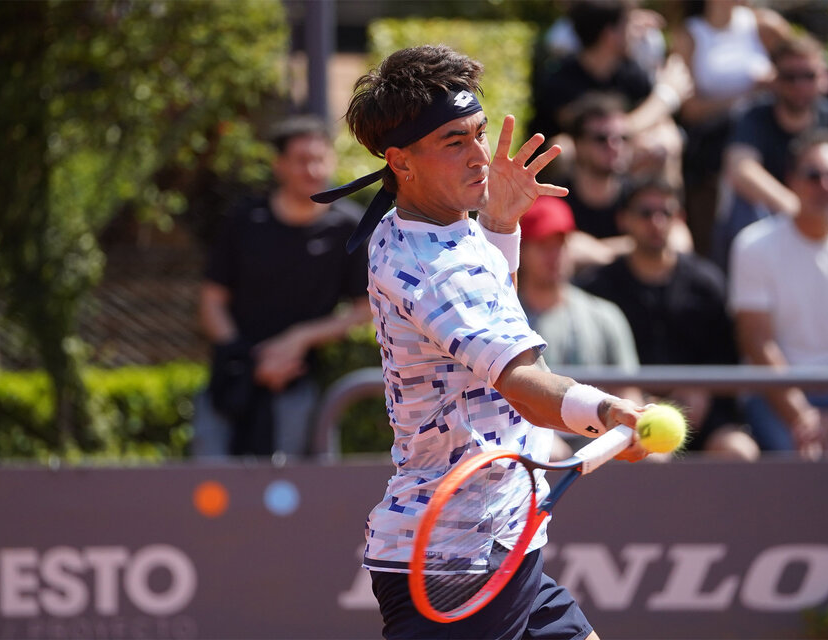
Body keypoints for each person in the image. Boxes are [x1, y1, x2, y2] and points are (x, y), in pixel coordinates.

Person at [314, 44, 650, 640]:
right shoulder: (436, 266)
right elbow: (521, 383)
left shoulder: (413, 225)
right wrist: (605, 411)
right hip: (456, 563)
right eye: (454, 142)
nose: (480, 157)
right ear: (401, 161)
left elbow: (492, 314)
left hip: (497, 535)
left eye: (479, 134)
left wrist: (499, 225)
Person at [197, 115, 371, 458]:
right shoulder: (245, 221)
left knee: (290, 490)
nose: (313, 169)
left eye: (320, 158)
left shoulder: (349, 227)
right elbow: (211, 301)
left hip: (303, 382)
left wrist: (300, 339)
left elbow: (364, 310)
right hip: (231, 378)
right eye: (302, 160)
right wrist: (248, 358)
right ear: (279, 165)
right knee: (210, 487)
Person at [728, 129, 828, 460]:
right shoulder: (754, 246)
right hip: (772, 396)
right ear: (791, 179)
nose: (826, 185)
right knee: (800, 467)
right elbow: (757, 344)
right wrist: (802, 416)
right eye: (814, 175)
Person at [579, 177, 758, 460]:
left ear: (680, 219)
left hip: (704, 415)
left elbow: (727, 356)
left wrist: (702, 391)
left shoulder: (707, 283)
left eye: (667, 213)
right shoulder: (597, 286)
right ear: (624, 220)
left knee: (740, 450)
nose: (657, 221)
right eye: (646, 213)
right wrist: (635, 402)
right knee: (652, 459)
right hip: (625, 413)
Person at [716, 32, 828, 271]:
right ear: (775, 78)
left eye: (808, 76)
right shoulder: (752, 118)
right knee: (745, 213)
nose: (799, 85)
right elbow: (741, 169)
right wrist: (800, 211)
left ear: (825, 77)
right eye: (789, 76)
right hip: (772, 227)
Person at [517, 195, 643, 456]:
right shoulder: (505, 316)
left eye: (560, 245)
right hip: (528, 441)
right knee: (552, 452)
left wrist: (633, 428)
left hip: (600, 438)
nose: (554, 256)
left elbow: (628, 390)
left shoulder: (605, 315)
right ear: (522, 250)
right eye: (543, 245)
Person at [670, 0, 790, 258]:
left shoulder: (764, 25)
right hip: (713, 147)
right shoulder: (688, 34)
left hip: (768, 138)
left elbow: (797, 66)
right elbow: (688, 108)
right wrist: (746, 94)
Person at [531, 0, 693, 184]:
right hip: (578, 169)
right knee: (563, 150)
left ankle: (663, 207)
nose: (636, 33)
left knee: (667, 140)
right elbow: (596, 133)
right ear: (610, 34)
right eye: (629, 25)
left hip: (619, 162)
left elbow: (641, 127)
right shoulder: (561, 79)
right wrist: (666, 96)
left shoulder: (630, 72)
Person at [559, 92, 693, 275]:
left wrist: (596, 250)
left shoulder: (640, 193)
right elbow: (560, 249)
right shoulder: (556, 195)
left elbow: (680, 243)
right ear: (577, 144)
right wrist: (639, 246)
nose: (614, 145)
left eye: (623, 138)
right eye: (601, 138)